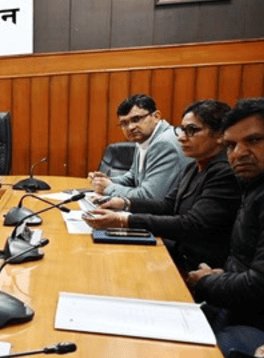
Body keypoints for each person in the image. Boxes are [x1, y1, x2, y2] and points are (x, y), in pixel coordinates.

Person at [84, 100, 241, 271]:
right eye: (182, 129)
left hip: (199, 266)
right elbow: (167, 205)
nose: (181, 137)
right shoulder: (194, 166)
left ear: (220, 135)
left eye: (192, 130)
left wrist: (124, 220)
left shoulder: (225, 173)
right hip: (180, 253)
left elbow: (192, 224)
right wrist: (124, 203)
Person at [186, 97, 264, 358]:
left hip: (256, 321)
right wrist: (222, 275)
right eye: (231, 145)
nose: (238, 153)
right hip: (235, 304)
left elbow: (262, 286)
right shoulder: (257, 184)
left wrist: (206, 282)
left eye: (254, 140)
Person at [88, 94, 190, 200]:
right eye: (124, 123)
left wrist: (108, 187)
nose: (130, 127)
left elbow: (149, 197)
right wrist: (107, 181)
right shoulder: (144, 138)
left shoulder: (164, 143)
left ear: (156, 116)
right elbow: (133, 177)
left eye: (136, 119)